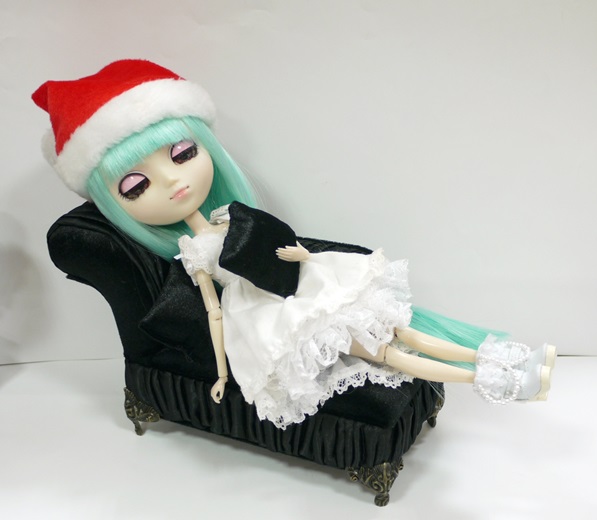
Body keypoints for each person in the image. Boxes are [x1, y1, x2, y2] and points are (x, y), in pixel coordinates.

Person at [33, 59, 556, 429]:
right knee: (387, 351)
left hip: (304, 281)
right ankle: (503, 382)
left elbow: (269, 244)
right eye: (136, 185)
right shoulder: (192, 251)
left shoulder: (226, 214)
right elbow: (214, 310)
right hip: (271, 314)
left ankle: (505, 360)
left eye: (183, 153)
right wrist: (221, 373)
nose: (173, 181)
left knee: (399, 329)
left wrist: (305, 257)